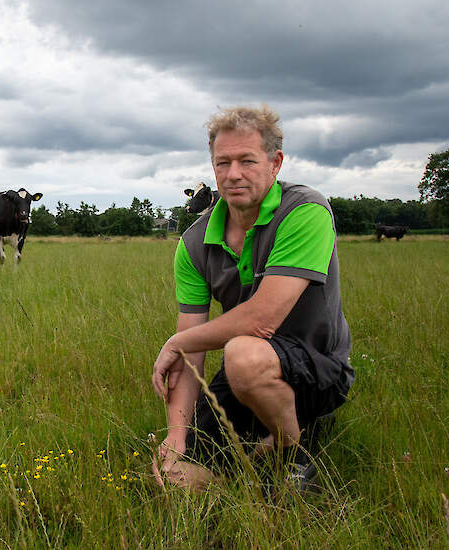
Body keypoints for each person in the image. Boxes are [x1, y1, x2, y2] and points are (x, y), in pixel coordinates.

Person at [151, 105, 353, 491]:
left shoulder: (305, 211)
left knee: (242, 353)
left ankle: (291, 456)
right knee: (176, 479)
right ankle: (250, 484)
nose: (233, 174)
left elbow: (262, 319)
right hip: (243, 373)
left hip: (318, 371)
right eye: (222, 162)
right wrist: (176, 437)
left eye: (247, 160)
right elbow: (190, 356)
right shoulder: (194, 244)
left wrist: (175, 342)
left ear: (275, 163)